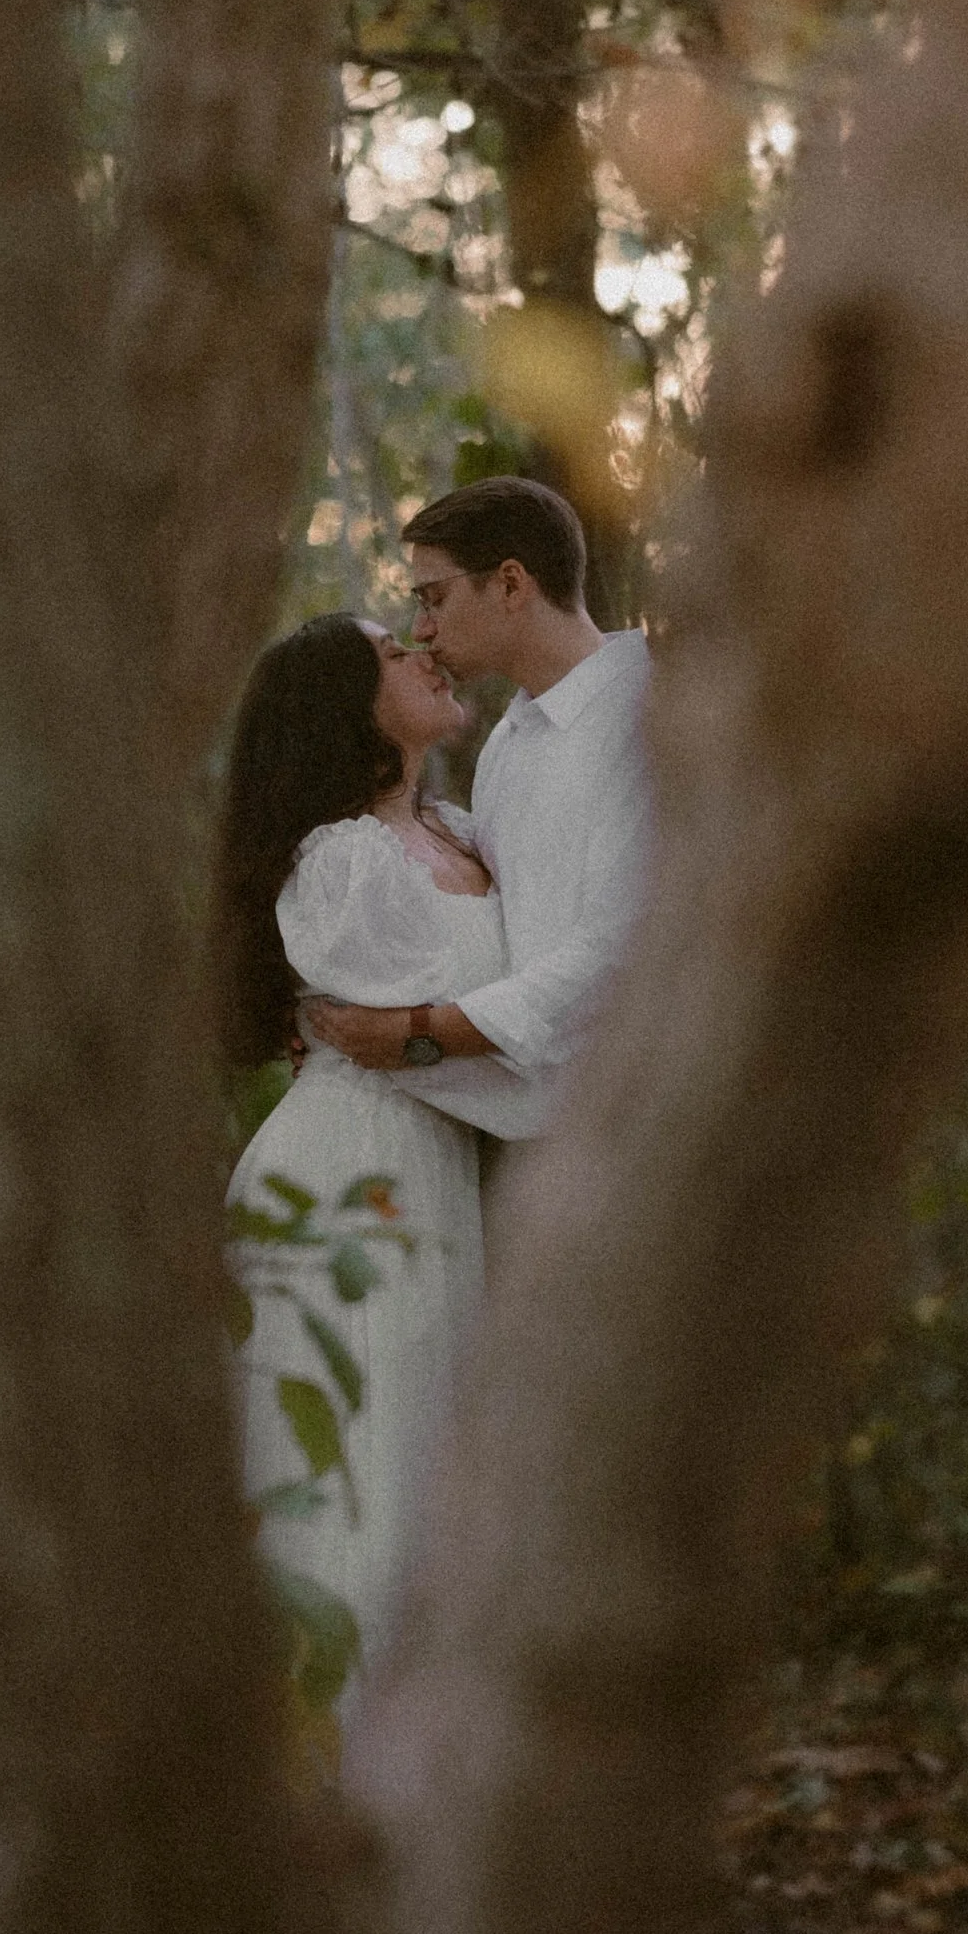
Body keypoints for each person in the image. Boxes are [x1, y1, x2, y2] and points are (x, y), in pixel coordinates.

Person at [214, 612, 536, 1679]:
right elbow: (429, 1049)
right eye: (394, 653)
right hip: (355, 1173)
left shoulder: (457, 829)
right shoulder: (342, 860)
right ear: (346, 709)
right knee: (373, 1470)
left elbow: (454, 1032)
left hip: (440, 1169)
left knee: (438, 1465)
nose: (427, 653)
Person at [298, 477, 650, 1167]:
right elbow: (472, 932)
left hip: (644, 1141)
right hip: (530, 1149)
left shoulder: (647, 717)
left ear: (511, 584)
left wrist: (416, 1033)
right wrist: (327, 1015)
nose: (422, 629)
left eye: (434, 597)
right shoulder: (506, 749)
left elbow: (617, 954)